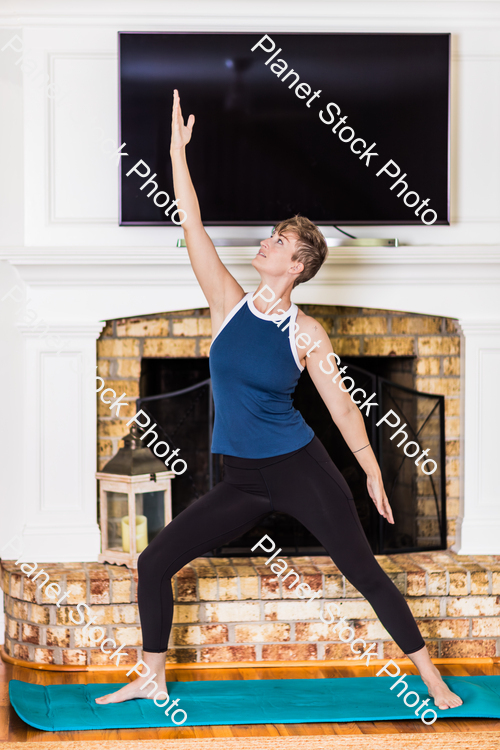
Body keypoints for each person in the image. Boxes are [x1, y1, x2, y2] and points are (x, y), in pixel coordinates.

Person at [96, 90, 462, 711]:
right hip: (240, 480)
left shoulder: (306, 333)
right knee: (154, 560)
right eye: (270, 236)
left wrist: (372, 469)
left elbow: (345, 408)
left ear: (296, 266)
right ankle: (152, 675)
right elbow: (192, 224)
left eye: (277, 242)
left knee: (364, 570)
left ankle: (430, 677)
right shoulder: (228, 304)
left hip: (301, 470)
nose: (265, 244)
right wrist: (175, 155)